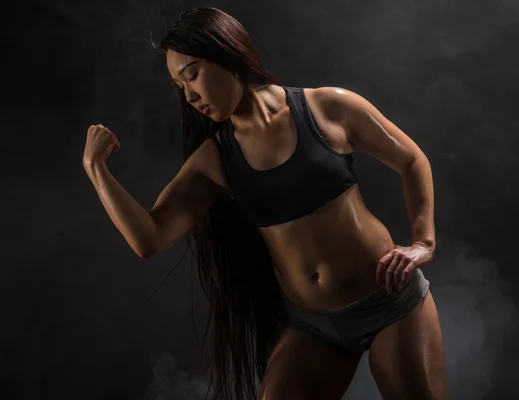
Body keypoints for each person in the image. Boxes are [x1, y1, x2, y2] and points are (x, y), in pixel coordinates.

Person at [82, 6, 448, 400]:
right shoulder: (215, 160)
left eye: (192, 75)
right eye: (179, 87)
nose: (189, 96)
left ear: (227, 53)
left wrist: (423, 242)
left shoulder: (326, 107)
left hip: (388, 303)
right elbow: (148, 238)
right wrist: (96, 168)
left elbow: (411, 159)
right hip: (313, 325)